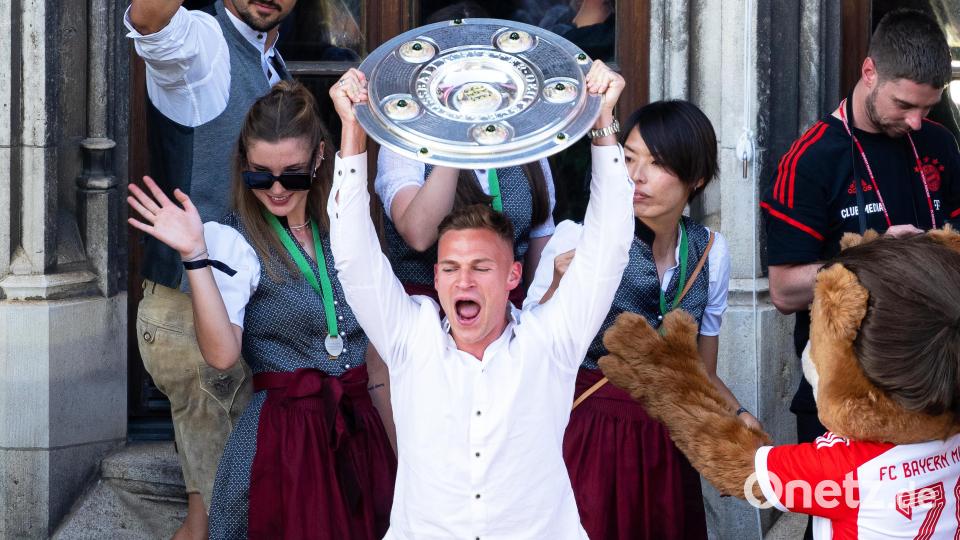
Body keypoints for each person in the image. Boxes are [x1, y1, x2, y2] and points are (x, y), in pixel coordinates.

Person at [329, 62, 633, 538]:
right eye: (450, 268)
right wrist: (352, 130)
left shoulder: (551, 339)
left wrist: (603, 124)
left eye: (481, 268)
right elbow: (352, 256)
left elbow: (610, 245)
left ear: (514, 275)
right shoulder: (411, 338)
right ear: (436, 275)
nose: (463, 282)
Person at [126, 81, 396, 539]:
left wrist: (400, 453)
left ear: (318, 160)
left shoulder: (345, 228)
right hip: (283, 443)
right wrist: (195, 255)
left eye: (291, 174)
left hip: (357, 432)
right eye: (259, 174)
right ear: (243, 167)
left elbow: (374, 362)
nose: (275, 189)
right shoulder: (232, 240)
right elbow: (222, 355)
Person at [760, 9, 960, 538]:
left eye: (927, 107)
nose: (916, 120)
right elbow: (783, 290)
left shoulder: (939, 144)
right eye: (904, 104)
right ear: (870, 71)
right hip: (847, 395)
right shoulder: (811, 158)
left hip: (936, 384)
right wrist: (871, 259)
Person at [527, 100, 757, 539]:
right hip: (588, 433)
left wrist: (738, 415)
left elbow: (701, 372)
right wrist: (558, 286)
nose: (636, 176)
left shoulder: (711, 252)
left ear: (697, 179)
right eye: (628, 158)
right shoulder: (578, 238)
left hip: (666, 443)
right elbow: (527, 352)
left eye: (658, 164)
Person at [125, 0, 296, 536]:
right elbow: (153, 22)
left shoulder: (271, 61)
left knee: (222, 515)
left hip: (231, 314)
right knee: (213, 522)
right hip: (189, 316)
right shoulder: (205, 46)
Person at [375, 4, 557, 305]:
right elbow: (418, 234)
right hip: (428, 318)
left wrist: (539, 318)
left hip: (513, 318)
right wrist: (455, 130)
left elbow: (541, 243)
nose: (473, 81)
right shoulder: (405, 139)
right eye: (459, 70)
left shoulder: (523, 135)